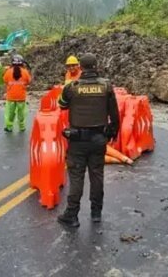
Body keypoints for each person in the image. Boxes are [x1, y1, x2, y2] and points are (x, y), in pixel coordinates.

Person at [56, 53, 120, 228]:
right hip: (99, 139)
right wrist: (112, 133)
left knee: (76, 177)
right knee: (97, 175)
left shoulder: (72, 87)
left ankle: (72, 215)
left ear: (81, 67)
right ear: (96, 66)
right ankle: (96, 213)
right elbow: (114, 112)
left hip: (78, 140)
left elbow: (61, 104)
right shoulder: (106, 86)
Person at [2, 55, 31, 133]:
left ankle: (9, 127)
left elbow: (5, 80)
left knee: (10, 113)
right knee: (21, 113)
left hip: (11, 97)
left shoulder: (8, 71)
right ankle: (22, 127)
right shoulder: (25, 71)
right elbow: (28, 81)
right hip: (21, 97)